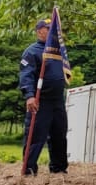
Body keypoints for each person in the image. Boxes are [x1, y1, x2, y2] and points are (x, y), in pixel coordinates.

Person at [19, 17, 69, 176]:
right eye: (49, 29)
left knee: (59, 135)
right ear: (40, 31)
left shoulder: (58, 52)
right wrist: (29, 96)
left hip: (57, 101)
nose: (52, 32)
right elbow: (26, 75)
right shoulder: (32, 52)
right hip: (41, 101)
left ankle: (59, 169)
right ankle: (29, 170)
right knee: (35, 137)